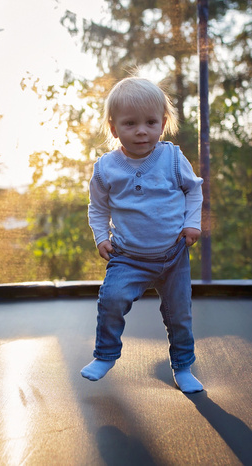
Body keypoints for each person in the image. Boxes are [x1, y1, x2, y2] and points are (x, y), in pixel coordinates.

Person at [80, 76, 204, 393]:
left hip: (173, 256)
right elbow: (97, 207)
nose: (141, 131)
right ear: (113, 128)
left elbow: (194, 192)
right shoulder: (106, 167)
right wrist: (100, 236)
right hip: (128, 257)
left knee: (179, 317)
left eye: (150, 122)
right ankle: (106, 355)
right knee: (111, 300)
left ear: (162, 124)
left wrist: (192, 223)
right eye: (130, 123)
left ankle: (183, 367)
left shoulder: (173, 158)